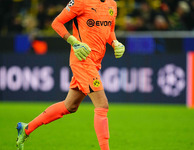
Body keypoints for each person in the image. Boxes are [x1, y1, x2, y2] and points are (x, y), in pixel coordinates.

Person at [16, 0, 125, 150]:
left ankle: (26, 128)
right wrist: (73, 41)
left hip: (95, 62)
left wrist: (115, 42)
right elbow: (57, 23)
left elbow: (109, 30)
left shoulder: (112, 3)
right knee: (102, 105)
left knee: (70, 106)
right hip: (82, 59)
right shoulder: (81, 2)